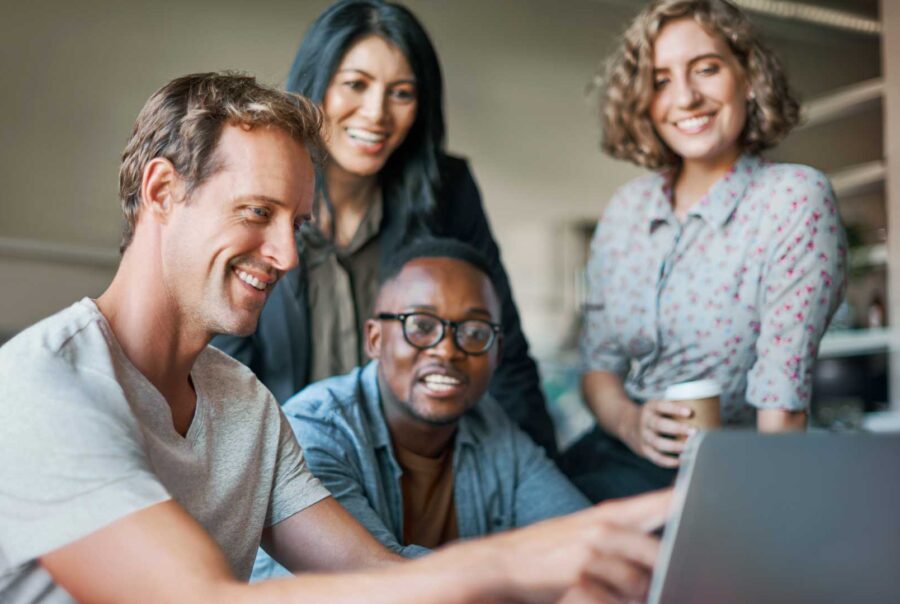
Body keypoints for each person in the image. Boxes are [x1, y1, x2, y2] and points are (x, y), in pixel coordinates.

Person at [0, 71, 671, 604]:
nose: (288, 256)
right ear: (163, 191)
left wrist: (567, 576)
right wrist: (513, 563)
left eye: (296, 224)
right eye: (258, 213)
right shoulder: (42, 388)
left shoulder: (245, 404)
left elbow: (378, 577)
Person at [211, 0, 557, 456]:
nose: (377, 113)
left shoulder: (448, 193)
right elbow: (221, 368)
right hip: (281, 463)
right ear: (316, 87)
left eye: (402, 93)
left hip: (415, 464)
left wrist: (542, 474)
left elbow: (501, 349)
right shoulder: (256, 193)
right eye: (356, 84)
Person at [560, 0, 847, 502]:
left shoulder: (792, 198)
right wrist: (631, 421)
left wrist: (763, 520)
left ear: (748, 76)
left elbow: (783, 397)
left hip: (724, 470)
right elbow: (598, 366)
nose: (686, 97)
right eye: (662, 79)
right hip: (610, 455)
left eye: (706, 69)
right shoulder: (627, 209)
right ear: (643, 100)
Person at [254, 238, 589, 579]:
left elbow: (582, 541)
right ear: (375, 340)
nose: (446, 351)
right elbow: (378, 580)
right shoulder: (313, 429)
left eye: (474, 332)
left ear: (497, 353)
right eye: (422, 326)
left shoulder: (490, 426)